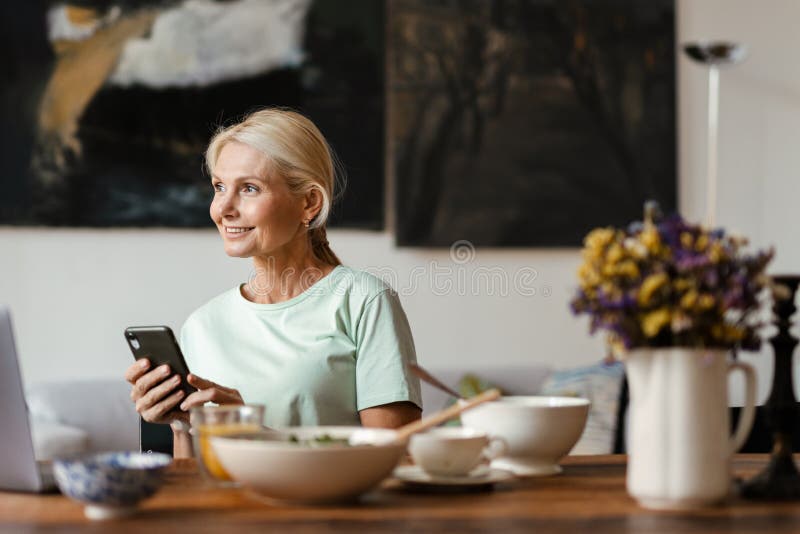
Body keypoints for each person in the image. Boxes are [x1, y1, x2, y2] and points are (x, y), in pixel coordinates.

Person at [124, 108, 422, 457]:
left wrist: (255, 435)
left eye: (249, 188)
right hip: (223, 511)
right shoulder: (202, 325)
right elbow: (192, 473)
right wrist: (178, 424)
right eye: (219, 187)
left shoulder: (362, 300)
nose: (223, 208)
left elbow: (393, 456)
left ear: (309, 202)